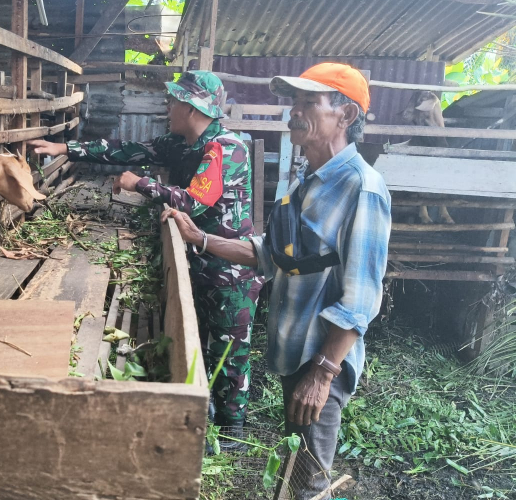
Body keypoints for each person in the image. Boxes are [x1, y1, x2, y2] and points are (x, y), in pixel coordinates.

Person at [163, 63, 391, 499]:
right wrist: (202, 238)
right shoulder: (308, 182)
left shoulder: (362, 188)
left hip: (319, 357)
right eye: (294, 101)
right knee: (295, 464)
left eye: (310, 102)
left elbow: (362, 297)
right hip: (293, 352)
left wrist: (323, 373)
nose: (295, 112)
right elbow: (272, 254)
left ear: (344, 114)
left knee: (309, 481)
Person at [29, 71, 264, 444]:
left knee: (230, 352)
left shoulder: (225, 147)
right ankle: (207, 416)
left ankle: (233, 435)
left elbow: (193, 201)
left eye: (174, 101)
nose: (168, 107)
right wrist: (67, 149)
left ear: (191, 106)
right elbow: (128, 150)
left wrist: (138, 183)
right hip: (199, 259)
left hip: (229, 268)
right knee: (202, 341)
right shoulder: (183, 143)